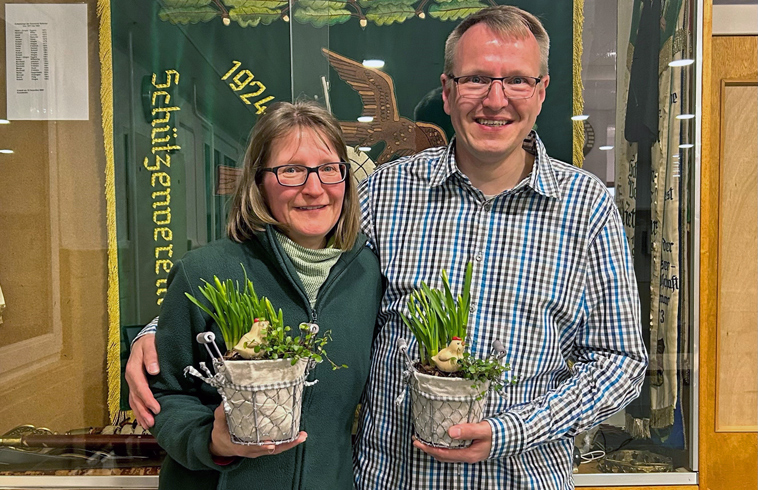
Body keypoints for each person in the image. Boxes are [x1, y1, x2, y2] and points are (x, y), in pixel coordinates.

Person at [128, 6, 647, 488]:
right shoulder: (383, 192)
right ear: (447, 91)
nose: (495, 98)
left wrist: (512, 429)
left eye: (516, 79)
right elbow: (288, 271)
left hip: (516, 478)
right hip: (392, 479)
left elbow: (621, 363)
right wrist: (161, 331)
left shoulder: (587, 210)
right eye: (475, 79)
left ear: (542, 90)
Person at [145, 100, 382, 489]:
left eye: (329, 169)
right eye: (291, 170)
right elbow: (166, 394)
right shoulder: (203, 272)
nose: (314, 188)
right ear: (258, 181)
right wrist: (210, 441)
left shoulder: (367, 274)